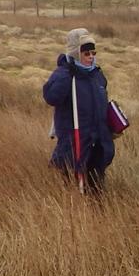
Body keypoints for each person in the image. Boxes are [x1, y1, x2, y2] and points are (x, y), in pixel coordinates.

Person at [43, 27, 115, 192]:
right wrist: (67, 74)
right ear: (76, 53)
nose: (91, 57)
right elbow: (51, 97)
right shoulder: (65, 75)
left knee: (96, 191)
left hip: (97, 143)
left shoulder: (96, 75)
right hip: (73, 142)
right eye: (86, 53)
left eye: (93, 53)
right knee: (70, 192)